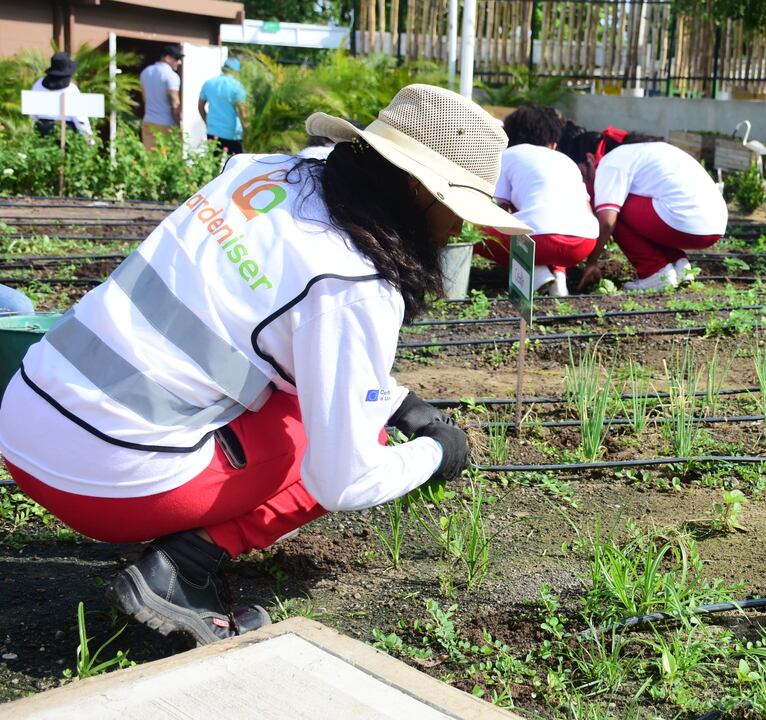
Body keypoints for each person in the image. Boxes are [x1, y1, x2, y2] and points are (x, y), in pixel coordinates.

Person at [0, 84, 530, 646]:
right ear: (420, 189)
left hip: (24, 421)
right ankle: (184, 569)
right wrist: (436, 453)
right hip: (102, 487)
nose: (459, 229)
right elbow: (346, 479)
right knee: (353, 437)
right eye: (458, 208)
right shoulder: (354, 282)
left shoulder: (260, 174)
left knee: (320, 400)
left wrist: (396, 398)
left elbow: (258, 325)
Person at [566, 127, 727, 291]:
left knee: (612, 209)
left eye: (582, 174)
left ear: (590, 158)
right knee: (644, 204)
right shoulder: (644, 151)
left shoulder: (610, 162)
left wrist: (591, 262)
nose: (585, 181)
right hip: (715, 224)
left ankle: (653, 272)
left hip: (685, 222)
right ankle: (679, 265)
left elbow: (607, 222)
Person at [474, 105, 598, 297]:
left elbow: (499, 211)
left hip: (540, 241)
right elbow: (587, 208)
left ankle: (538, 274)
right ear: (553, 141)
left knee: (473, 231)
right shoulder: (566, 160)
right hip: (584, 242)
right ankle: (558, 278)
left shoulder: (509, 155)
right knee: (549, 222)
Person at [29, 52, 93, 142]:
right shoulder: (71, 90)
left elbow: (32, 113)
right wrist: (89, 140)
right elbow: (80, 119)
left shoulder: (38, 84)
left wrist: (32, 132)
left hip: (41, 131)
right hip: (66, 133)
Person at [198, 57, 249, 155]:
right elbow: (243, 114)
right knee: (235, 163)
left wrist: (208, 123)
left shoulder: (209, 83)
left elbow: (200, 107)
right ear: (236, 71)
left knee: (213, 162)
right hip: (233, 134)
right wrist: (247, 133)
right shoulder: (238, 87)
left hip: (213, 132)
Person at [140, 45, 183, 149]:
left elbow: (145, 98)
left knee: (150, 154)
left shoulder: (146, 72)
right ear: (167, 58)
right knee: (168, 155)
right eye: (177, 58)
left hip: (148, 121)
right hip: (166, 123)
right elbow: (174, 102)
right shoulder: (171, 75)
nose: (179, 62)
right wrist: (179, 124)